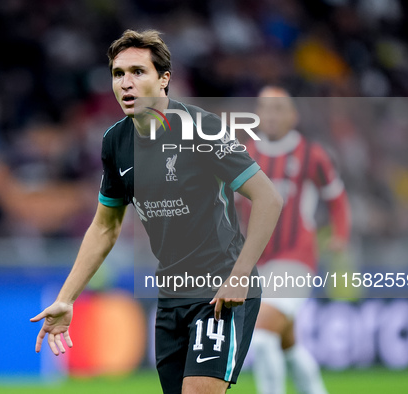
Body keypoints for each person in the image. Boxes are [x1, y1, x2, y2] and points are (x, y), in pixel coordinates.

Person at [30, 29, 282, 394]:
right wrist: (66, 298)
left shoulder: (202, 128)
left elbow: (268, 198)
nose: (125, 83)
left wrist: (240, 275)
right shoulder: (115, 142)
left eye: (138, 72)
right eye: (118, 74)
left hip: (219, 291)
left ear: (164, 79)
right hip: (171, 296)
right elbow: (105, 227)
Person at [239, 86, 351, 394]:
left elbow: (337, 200)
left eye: (278, 109)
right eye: (265, 108)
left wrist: (340, 236)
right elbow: (230, 200)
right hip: (260, 261)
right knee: (287, 344)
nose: (271, 116)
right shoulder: (248, 153)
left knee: (260, 337)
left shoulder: (312, 155)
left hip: (296, 259)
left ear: (293, 116)